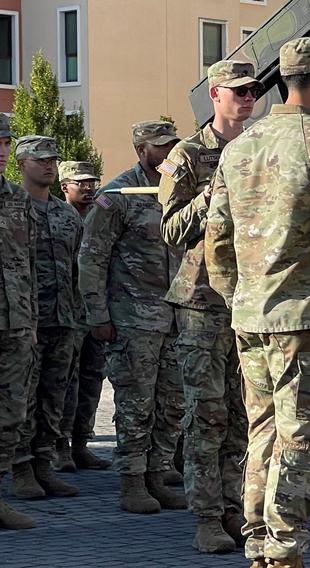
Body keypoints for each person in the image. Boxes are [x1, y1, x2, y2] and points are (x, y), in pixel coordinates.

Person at [205, 37, 310, 568]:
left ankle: (258, 546)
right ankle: (285, 552)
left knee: (263, 434)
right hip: (307, 320)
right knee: (300, 442)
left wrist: (238, 301)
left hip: (252, 317)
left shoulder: (239, 147)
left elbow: (217, 240)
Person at [158, 61, 259, 553]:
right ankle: (206, 516)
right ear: (215, 94)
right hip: (201, 301)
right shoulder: (188, 153)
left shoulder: (258, 150)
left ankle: (235, 507)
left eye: (254, 90)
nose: (248, 98)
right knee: (206, 413)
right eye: (238, 91)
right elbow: (172, 230)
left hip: (250, 296)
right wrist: (212, 195)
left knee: (243, 413)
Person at [79, 120, 186, 514]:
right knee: (135, 404)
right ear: (142, 150)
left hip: (174, 316)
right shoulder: (118, 194)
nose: (169, 152)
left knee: (170, 402)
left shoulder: (179, 189)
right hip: (132, 318)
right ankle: (132, 482)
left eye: (173, 145)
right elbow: (91, 256)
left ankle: (158, 476)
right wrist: (97, 313)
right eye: (161, 147)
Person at [11, 136, 82, 501]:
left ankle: (44, 464)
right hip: (26, 319)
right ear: (22, 163)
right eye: (40, 160)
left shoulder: (66, 213)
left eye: (53, 159)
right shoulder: (13, 208)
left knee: (55, 397)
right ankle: (21, 468)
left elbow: (75, 269)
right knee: (23, 398)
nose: (49, 165)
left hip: (64, 319)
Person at [56, 161, 109, 472]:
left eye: (92, 182)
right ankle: (59, 446)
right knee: (66, 381)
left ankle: (81, 444)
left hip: (96, 311)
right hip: (67, 312)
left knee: (92, 378)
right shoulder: (58, 216)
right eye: (81, 183)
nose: (88, 188)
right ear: (65, 186)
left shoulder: (101, 214)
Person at [0, 116, 39, 530]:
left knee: (12, 412)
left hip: (15, 322)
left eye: (6, 141)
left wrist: (29, 320)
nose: (1, 148)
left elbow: (26, 263)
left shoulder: (16, 199)